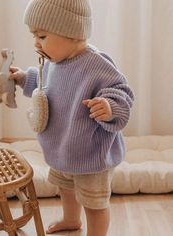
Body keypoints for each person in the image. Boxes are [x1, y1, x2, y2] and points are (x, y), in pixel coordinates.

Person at [9, 0, 134, 235]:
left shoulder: (96, 64)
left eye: (42, 36)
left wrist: (108, 107)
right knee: (65, 189)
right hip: (63, 148)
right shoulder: (56, 61)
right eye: (34, 35)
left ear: (72, 33)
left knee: (94, 203)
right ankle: (71, 220)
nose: (36, 42)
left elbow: (122, 93)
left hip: (90, 154)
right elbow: (45, 85)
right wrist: (24, 78)